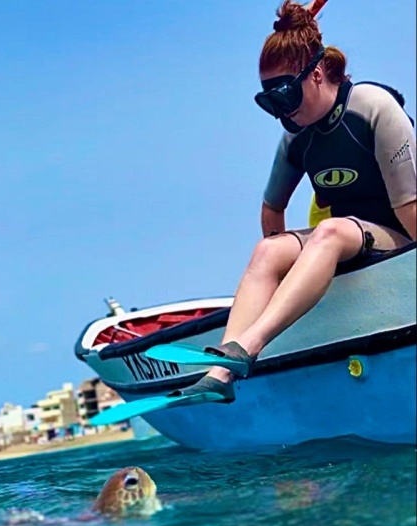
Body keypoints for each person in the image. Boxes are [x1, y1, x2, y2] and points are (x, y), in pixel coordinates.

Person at [169, 0, 416, 403]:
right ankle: (222, 370)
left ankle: (250, 346)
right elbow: (272, 210)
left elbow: (410, 206)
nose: (281, 111)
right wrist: (292, 282)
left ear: (316, 74)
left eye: (285, 95)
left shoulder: (372, 107)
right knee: (269, 250)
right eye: (270, 101)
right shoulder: (296, 137)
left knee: (330, 231)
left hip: (399, 238)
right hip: (349, 241)